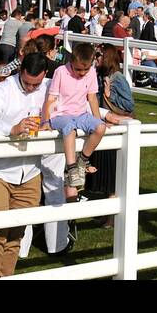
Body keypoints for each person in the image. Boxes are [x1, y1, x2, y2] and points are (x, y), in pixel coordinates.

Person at [0, 50, 50, 279]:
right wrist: (12, 129)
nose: (30, 88)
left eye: (35, 85)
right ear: (20, 71)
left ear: (44, 75)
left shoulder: (49, 87)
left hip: (30, 173)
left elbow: (77, 105)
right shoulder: (5, 88)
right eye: (26, 83)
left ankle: (6, 276)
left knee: (17, 232)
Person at [41, 45, 120, 200]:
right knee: (70, 128)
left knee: (100, 127)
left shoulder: (90, 72)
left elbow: (92, 98)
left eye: (85, 70)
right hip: (61, 114)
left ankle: (82, 161)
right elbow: (51, 98)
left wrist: (98, 119)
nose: (82, 73)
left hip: (81, 113)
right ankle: (72, 169)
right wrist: (46, 120)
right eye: (78, 70)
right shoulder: (60, 72)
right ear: (71, 62)